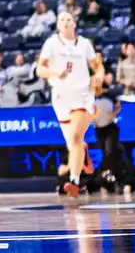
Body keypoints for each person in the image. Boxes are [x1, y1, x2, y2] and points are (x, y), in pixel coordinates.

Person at [37, 11, 104, 197]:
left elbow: (97, 66)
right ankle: (82, 155)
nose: (66, 22)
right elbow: (39, 70)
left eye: (69, 19)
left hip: (82, 95)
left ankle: (74, 181)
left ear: (74, 24)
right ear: (58, 24)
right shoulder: (51, 43)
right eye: (62, 19)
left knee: (76, 137)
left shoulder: (83, 43)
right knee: (73, 144)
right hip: (60, 97)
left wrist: (98, 75)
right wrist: (54, 71)